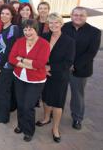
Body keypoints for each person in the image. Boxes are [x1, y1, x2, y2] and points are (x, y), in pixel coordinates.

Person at [9, 19, 50, 142]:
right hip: (19, 77)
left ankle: (29, 130)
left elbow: (40, 64)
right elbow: (11, 58)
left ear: (36, 29)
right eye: (25, 29)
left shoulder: (44, 44)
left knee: (28, 106)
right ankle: (21, 125)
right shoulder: (19, 41)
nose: (27, 32)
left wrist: (21, 59)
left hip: (36, 81)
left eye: (30, 29)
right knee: (20, 104)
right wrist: (29, 64)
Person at [36, 13, 75, 143]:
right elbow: (38, 54)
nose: (53, 25)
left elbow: (68, 62)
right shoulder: (44, 37)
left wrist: (50, 67)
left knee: (57, 103)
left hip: (59, 76)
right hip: (44, 74)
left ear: (61, 24)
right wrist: (43, 69)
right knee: (46, 98)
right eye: (50, 23)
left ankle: (55, 128)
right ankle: (46, 118)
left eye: (56, 23)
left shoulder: (69, 41)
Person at [62, 7, 101, 130]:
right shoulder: (64, 27)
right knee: (60, 92)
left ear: (86, 16)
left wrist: (75, 65)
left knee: (78, 95)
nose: (78, 17)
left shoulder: (94, 32)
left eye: (81, 15)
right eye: (76, 15)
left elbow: (91, 52)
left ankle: (77, 118)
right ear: (71, 15)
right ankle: (56, 113)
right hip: (63, 67)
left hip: (80, 69)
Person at [0, 5, 20, 124]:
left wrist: (0, 65)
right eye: (2, 13)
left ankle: (3, 117)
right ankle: (1, 111)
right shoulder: (3, 28)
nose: (4, 16)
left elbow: (9, 50)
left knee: (3, 91)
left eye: (7, 14)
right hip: (1, 64)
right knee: (1, 90)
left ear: (12, 16)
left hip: (7, 66)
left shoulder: (14, 29)